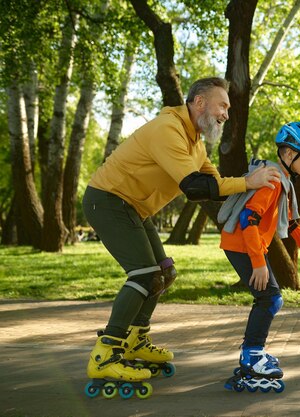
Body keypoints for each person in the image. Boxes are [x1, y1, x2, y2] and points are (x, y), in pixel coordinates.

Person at [82, 77, 281, 395]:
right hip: (107, 199)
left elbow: (215, 185)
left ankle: (134, 340)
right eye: (222, 105)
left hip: (133, 208)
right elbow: (193, 187)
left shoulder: (196, 143)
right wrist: (249, 183)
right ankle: (106, 354)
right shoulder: (168, 130)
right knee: (145, 275)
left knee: (164, 272)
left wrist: (250, 186)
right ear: (199, 102)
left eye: (228, 108)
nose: (226, 114)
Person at [218, 122, 300, 393]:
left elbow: (291, 224)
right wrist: (257, 262)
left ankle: (252, 352)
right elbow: (248, 218)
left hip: (246, 244)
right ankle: (252, 355)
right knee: (270, 298)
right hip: (242, 244)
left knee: (269, 298)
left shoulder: (283, 180)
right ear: (289, 154)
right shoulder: (274, 180)